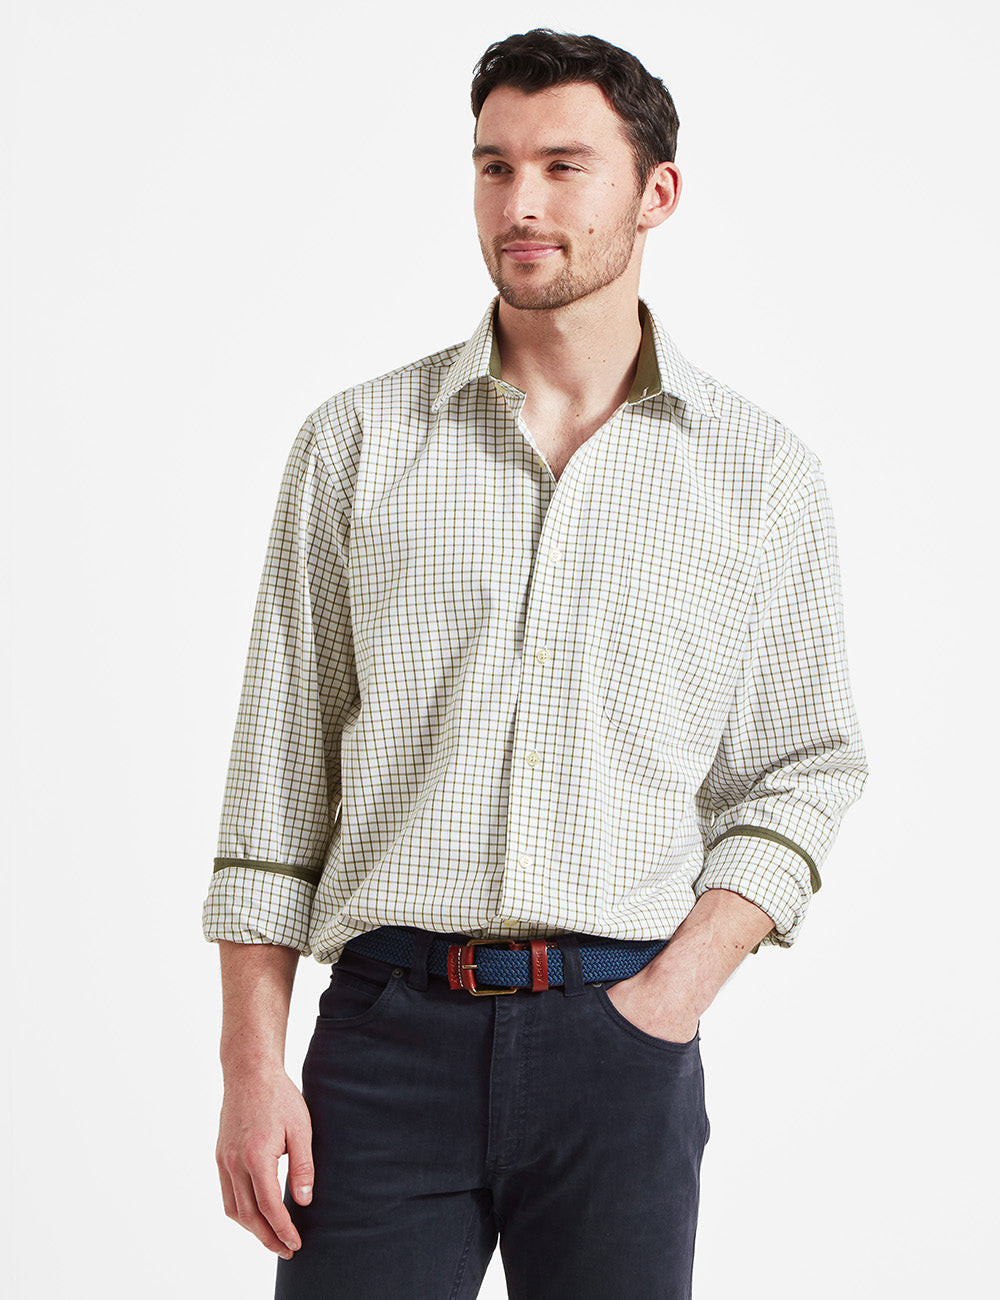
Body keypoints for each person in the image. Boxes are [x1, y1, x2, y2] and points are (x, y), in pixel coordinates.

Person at [203, 28, 868, 1300]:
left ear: (654, 193)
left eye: (564, 166)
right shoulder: (355, 444)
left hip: (619, 1045)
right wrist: (249, 1065)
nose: (521, 202)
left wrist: (671, 995)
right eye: (494, 165)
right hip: (383, 1041)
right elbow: (277, 777)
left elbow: (806, 763)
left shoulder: (758, 474)